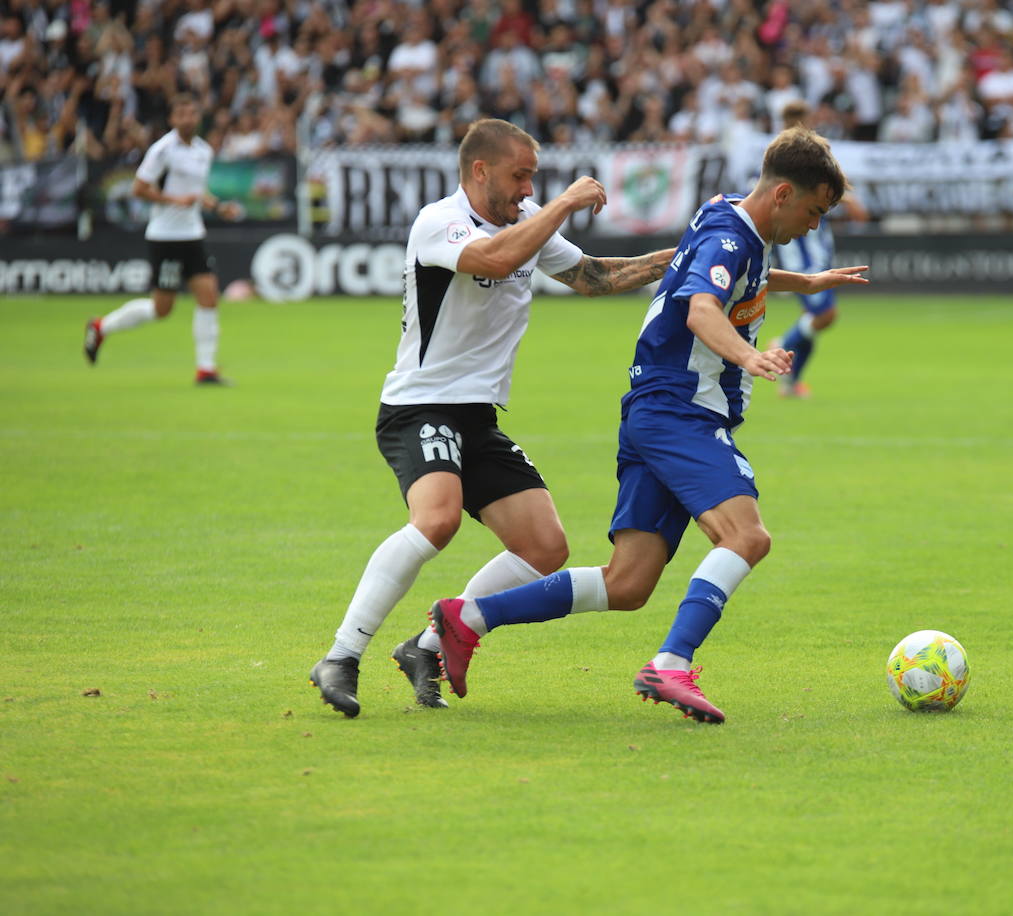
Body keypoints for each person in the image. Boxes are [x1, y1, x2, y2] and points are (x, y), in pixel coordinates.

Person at [424, 126, 868, 724]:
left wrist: (806, 282)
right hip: (680, 408)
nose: (814, 227)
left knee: (628, 584)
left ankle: (466, 617)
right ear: (784, 193)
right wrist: (747, 355)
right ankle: (672, 663)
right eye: (814, 211)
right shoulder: (734, 238)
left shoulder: (728, 218)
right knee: (746, 536)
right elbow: (701, 305)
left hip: (654, 409)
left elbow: (709, 276)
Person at [309, 118, 674, 718]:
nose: (527, 189)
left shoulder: (522, 225)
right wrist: (562, 202)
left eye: (533, 177)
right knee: (438, 520)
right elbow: (495, 261)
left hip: (475, 418)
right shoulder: (440, 221)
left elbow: (593, 277)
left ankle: (426, 645)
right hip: (419, 405)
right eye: (519, 175)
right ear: (480, 171)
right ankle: (342, 656)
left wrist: (676, 259)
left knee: (545, 545)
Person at [83, 94, 242, 384]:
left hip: (192, 234)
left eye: (192, 113)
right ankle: (100, 326)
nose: (187, 119)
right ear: (172, 119)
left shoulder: (203, 151)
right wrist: (173, 200)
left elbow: (196, 192)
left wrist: (218, 206)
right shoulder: (162, 150)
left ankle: (205, 369)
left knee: (208, 296)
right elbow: (139, 188)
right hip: (165, 236)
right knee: (162, 309)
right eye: (181, 114)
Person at [768, 101, 868, 399]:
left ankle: (792, 382)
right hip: (801, 261)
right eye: (794, 122)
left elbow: (834, 193)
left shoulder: (814, 163)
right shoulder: (775, 165)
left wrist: (846, 201)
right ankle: (782, 344)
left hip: (818, 254)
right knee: (825, 315)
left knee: (814, 319)